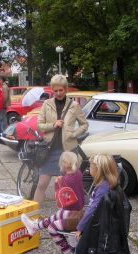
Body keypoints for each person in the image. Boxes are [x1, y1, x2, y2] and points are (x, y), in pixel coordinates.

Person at [21, 151, 84, 254]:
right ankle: (35, 226)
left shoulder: (65, 180)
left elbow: (63, 202)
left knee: (54, 224)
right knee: (59, 215)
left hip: (73, 215)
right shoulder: (78, 173)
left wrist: (58, 183)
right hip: (80, 211)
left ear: (63, 164)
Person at [35, 74, 88, 206]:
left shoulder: (74, 105)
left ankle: (68, 217)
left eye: (61, 90)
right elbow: (39, 125)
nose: (58, 93)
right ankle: (32, 216)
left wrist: (74, 133)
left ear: (66, 89)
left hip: (69, 151)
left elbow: (84, 124)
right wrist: (53, 125)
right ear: (52, 90)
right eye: (55, 90)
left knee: (68, 186)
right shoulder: (47, 104)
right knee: (42, 184)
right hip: (50, 149)